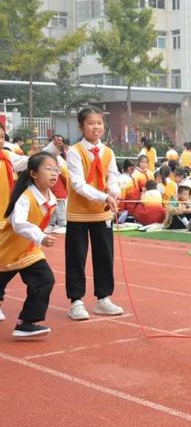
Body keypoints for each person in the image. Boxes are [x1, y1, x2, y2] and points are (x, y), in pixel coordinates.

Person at [65, 106, 124, 320]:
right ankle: (76, 301)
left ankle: (103, 298)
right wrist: (103, 196)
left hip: (102, 213)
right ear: (81, 126)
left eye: (99, 122)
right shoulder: (75, 151)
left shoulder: (108, 152)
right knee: (76, 257)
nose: (96, 127)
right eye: (90, 123)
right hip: (79, 213)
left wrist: (114, 192)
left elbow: (113, 177)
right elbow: (78, 184)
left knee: (104, 255)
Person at [0, 152, 57, 338]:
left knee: (45, 279)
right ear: (33, 174)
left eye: (56, 169)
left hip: (28, 251)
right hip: (6, 250)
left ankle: (27, 322)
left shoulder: (52, 198)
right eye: (48, 169)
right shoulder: (25, 198)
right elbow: (19, 224)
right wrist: (40, 236)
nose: (54, 173)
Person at [0, 124, 29, 229]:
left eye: (2, 137)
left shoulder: (7, 156)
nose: (1, 141)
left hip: (4, 213)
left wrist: (50, 151)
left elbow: (27, 161)